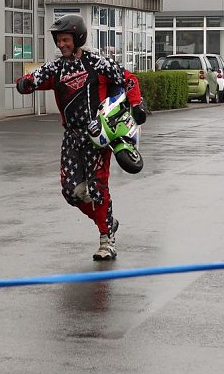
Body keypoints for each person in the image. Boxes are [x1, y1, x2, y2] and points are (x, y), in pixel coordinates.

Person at [15, 14, 146, 261]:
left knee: (97, 189)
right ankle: (107, 220)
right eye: (58, 40)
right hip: (71, 138)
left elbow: (129, 79)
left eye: (65, 39)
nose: (61, 44)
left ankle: (107, 240)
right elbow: (35, 78)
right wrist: (24, 83)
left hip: (98, 136)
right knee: (70, 192)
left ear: (78, 38)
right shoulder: (56, 68)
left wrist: (137, 104)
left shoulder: (97, 63)